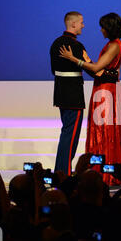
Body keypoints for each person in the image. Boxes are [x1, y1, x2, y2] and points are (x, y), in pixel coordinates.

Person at [59, 12, 121, 186]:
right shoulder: (114, 44)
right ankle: (102, 170)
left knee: (104, 131)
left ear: (109, 28)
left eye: (103, 26)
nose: (101, 30)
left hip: (106, 92)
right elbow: (102, 70)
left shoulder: (114, 45)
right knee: (105, 129)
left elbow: (97, 67)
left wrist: (74, 59)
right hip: (106, 89)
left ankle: (105, 173)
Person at [50, 11, 91, 175]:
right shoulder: (77, 46)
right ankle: (63, 173)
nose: (83, 25)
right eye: (81, 22)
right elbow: (91, 68)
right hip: (73, 95)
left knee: (67, 133)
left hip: (60, 93)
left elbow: (53, 70)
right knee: (70, 136)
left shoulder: (55, 43)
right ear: (73, 24)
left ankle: (61, 171)